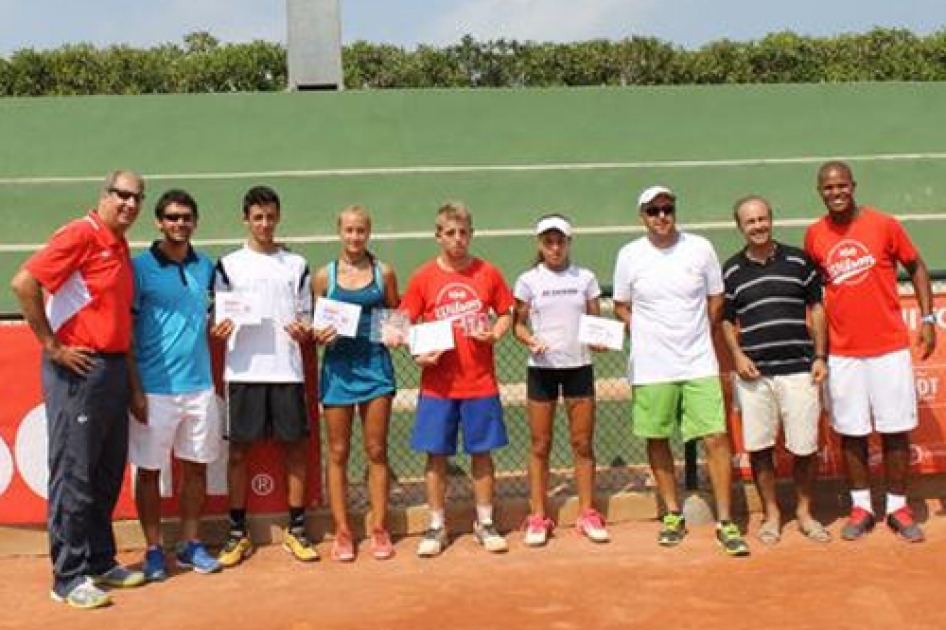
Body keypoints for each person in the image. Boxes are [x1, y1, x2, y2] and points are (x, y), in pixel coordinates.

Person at [10, 170, 147, 609]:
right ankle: (67, 576)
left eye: (136, 198)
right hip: (79, 369)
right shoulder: (80, 234)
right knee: (76, 475)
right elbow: (24, 283)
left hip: (111, 369)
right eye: (121, 195)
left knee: (107, 472)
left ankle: (100, 560)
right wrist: (52, 346)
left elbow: (119, 322)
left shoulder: (119, 244)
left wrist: (131, 382)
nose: (129, 204)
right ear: (104, 195)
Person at [612, 185, 750, 557]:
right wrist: (641, 328)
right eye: (653, 211)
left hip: (698, 362)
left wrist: (700, 328)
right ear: (642, 215)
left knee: (716, 437)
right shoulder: (629, 255)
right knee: (657, 438)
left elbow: (717, 296)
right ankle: (672, 513)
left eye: (667, 209)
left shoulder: (700, 248)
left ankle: (725, 519)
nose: (662, 217)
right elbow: (621, 304)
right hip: (651, 366)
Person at [804, 161, 935, 542]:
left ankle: (897, 507)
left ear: (853, 186)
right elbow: (812, 293)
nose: (836, 193)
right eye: (828, 188)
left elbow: (917, 267)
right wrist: (818, 348)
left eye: (841, 186)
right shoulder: (815, 235)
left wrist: (927, 319)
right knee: (852, 432)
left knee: (895, 431)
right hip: (842, 353)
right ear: (820, 192)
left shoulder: (884, 224)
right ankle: (861, 507)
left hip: (888, 348)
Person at [399, 202, 515, 557]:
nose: (458, 239)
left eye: (463, 232)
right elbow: (398, 323)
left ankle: (485, 522)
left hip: (479, 382)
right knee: (436, 456)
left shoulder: (488, 273)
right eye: (450, 232)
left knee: (482, 453)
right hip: (438, 386)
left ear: (471, 234)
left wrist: (495, 333)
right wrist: (418, 352)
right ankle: (436, 525)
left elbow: (507, 312)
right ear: (438, 236)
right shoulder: (423, 277)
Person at [212, 185, 319, 566]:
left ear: (278, 217)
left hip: (287, 372)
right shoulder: (228, 265)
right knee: (238, 454)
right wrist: (219, 328)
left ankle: (298, 528)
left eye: (270, 217)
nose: (264, 224)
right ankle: (237, 532)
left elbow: (307, 315)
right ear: (246, 219)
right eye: (257, 217)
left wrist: (304, 329)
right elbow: (218, 318)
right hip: (242, 371)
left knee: (294, 452)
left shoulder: (296, 265)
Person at [721, 195, 830, 545]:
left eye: (763, 219)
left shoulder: (800, 261)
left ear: (772, 219)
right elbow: (725, 321)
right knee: (760, 447)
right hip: (755, 375)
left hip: (799, 369)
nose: (758, 226)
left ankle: (804, 512)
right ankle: (771, 513)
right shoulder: (732, 270)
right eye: (750, 222)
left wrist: (820, 356)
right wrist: (737, 355)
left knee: (804, 447)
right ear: (740, 227)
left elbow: (816, 309)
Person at [128, 189, 223, 580]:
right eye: (171, 217)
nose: (179, 224)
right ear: (159, 222)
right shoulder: (139, 269)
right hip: (154, 387)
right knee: (149, 472)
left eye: (185, 217)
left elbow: (218, 310)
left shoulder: (206, 266)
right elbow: (128, 331)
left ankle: (190, 543)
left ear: (195, 222)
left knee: (196, 469)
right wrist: (134, 388)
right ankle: (153, 549)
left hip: (199, 385)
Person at [513, 214, 609, 546]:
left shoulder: (586, 278)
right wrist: (530, 341)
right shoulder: (528, 280)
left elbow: (596, 320)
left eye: (560, 241)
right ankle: (538, 516)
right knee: (540, 445)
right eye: (548, 242)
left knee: (582, 444)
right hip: (541, 370)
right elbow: (518, 325)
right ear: (540, 244)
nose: (554, 247)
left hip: (579, 367)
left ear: (569, 243)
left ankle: (587, 513)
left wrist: (599, 340)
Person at [312, 205, 399, 561]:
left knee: (376, 451)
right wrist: (322, 335)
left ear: (368, 232)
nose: (354, 237)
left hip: (376, 369)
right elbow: (317, 326)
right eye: (348, 230)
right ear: (339, 232)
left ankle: (379, 528)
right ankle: (343, 531)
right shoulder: (324, 276)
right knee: (337, 452)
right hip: (338, 372)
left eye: (360, 230)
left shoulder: (384, 273)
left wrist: (395, 332)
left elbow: (395, 314)